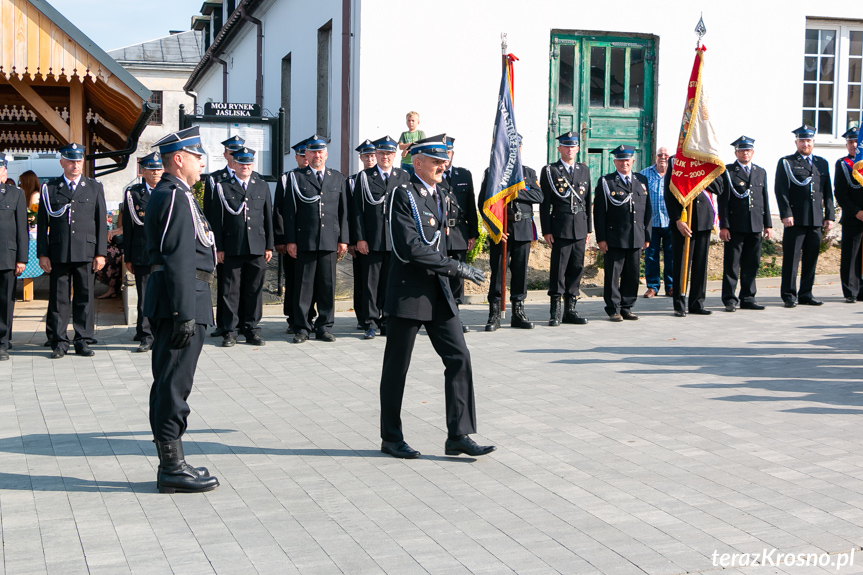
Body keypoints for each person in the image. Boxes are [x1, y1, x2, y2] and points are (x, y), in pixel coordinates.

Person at [379, 133, 494, 459]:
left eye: (444, 160)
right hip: (409, 294)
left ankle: (458, 434)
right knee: (397, 368)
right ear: (418, 163)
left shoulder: (441, 194)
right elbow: (410, 248)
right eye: (435, 160)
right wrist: (456, 268)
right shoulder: (403, 195)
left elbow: (442, 242)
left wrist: (454, 268)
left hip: (439, 293)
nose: (443, 165)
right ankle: (391, 438)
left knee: (459, 357)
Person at [144, 126, 219, 494]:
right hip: (181, 299)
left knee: (173, 382)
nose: (201, 161)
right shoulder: (173, 195)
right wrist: (183, 312)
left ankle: (174, 462)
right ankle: (172, 467)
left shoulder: (180, 194)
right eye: (196, 155)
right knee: (174, 384)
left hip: (188, 296)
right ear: (179, 159)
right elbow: (177, 257)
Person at [37, 143, 107, 358]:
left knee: (84, 297)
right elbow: (42, 224)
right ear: (62, 163)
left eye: (78, 161)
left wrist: (100, 253)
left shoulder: (94, 187)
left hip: (86, 251)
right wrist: (43, 253)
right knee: (59, 299)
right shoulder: (50, 188)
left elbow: (101, 223)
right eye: (70, 161)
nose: (75, 165)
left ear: (83, 163)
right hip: (58, 252)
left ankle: (83, 340)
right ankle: (59, 341)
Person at [281, 135, 348, 343]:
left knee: (327, 286)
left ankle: (325, 326)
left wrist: (343, 239)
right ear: (306, 155)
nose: (317, 155)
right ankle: (302, 327)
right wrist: (290, 240)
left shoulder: (337, 178)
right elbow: (289, 212)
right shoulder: (296, 178)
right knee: (304, 286)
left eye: (321, 152)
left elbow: (343, 211)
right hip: (305, 240)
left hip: (329, 239)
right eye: (313, 152)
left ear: (326, 155)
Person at [211, 147, 273, 347]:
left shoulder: (261, 185)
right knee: (230, 290)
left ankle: (252, 329)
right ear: (234, 165)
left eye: (248, 164)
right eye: (241, 163)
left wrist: (269, 245)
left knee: (254, 290)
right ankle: (230, 331)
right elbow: (216, 220)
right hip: (232, 246)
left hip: (257, 245)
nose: (245, 167)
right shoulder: (222, 187)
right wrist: (218, 248)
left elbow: (268, 218)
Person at [481, 133, 543, 331]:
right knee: (498, 272)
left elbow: (539, 196)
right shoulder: (493, 171)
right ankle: (494, 314)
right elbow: (484, 203)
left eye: (516, 147)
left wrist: (514, 189)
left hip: (523, 229)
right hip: (502, 231)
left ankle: (518, 312)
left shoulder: (529, 172)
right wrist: (494, 227)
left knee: (520, 273)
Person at [352, 136, 408, 340]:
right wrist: (360, 238)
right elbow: (357, 210)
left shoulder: (403, 176)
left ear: (394, 155)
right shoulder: (364, 177)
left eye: (389, 153)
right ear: (376, 155)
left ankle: (387, 320)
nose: (385, 157)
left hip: (395, 240)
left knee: (390, 282)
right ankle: (370, 322)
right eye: (382, 153)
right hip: (372, 240)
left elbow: (408, 211)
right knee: (370, 284)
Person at [774, 125, 834, 307]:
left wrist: (829, 216)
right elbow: (781, 190)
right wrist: (786, 214)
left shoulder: (821, 163)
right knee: (792, 258)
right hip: (795, 219)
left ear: (813, 142)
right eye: (802, 140)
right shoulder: (787, 162)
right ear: (796, 142)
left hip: (816, 219)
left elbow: (827, 191)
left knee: (811, 258)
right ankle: (789, 295)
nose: (805, 144)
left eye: (809, 140)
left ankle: (806, 293)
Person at [539, 131, 591, 326]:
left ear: (577, 148)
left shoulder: (584, 170)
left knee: (576, 268)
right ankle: (555, 311)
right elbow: (545, 204)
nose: (570, 149)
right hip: (560, 226)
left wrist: (588, 229)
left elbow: (587, 201)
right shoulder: (550, 170)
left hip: (580, 226)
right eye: (566, 146)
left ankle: (571, 310)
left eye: (573, 146)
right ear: (559, 148)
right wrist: (546, 230)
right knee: (558, 269)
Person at [594, 145, 651, 321]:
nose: (624, 163)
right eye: (620, 160)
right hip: (615, 237)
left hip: (636, 235)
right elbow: (599, 213)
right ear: (614, 162)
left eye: (627, 160)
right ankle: (613, 308)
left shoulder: (641, 181)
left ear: (633, 161)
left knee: (632, 273)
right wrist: (601, 238)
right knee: (613, 275)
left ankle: (627, 306)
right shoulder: (607, 182)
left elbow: (647, 210)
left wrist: (646, 235)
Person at [718, 136, 772, 312]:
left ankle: (748, 297)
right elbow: (723, 201)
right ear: (736, 153)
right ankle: (730, 299)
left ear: (753, 152)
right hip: (735, 225)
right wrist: (724, 226)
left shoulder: (760, 171)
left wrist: (768, 224)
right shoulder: (728, 171)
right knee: (732, 264)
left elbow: (765, 200)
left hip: (755, 224)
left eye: (748, 150)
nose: (745, 153)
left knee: (752, 263)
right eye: (741, 150)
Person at [121, 152, 163, 352]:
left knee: (164, 294)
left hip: (164, 253)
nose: (156, 172)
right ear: (143, 171)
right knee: (145, 296)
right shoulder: (134, 194)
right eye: (152, 169)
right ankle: (146, 335)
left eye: (159, 168)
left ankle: (159, 332)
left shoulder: (168, 190)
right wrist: (128, 257)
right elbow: (129, 228)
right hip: (142, 253)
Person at [665, 156, 716, 317]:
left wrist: (703, 175)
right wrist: (677, 220)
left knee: (700, 265)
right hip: (684, 221)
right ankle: (679, 304)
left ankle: (697, 303)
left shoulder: (710, 159)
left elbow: (720, 188)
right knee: (681, 264)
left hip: (704, 220)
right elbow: (669, 192)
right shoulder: (676, 161)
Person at [204, 135, 244, 338]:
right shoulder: (215, 179)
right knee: (225, 284)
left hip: (245, 241)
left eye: (239, 152)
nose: (236, 156)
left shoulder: (250, 176)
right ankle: (224, 323)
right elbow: (210, 213)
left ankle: (244, 323)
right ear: (225, 155)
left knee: (245, 284)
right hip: (225, 240)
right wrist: (215, 243)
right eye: (232, 153)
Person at [440, 136, 478, 333]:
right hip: (438, 235)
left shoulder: (464, 174)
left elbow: (470, 205)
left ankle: (454, 317)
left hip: (459, 234)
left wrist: (473, 233)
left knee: (457, 276)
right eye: (442, 153)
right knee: (440, 275)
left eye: (448, 153)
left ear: (452, 154)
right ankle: (440, 317)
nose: (445, 157)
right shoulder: (433, 175)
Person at [274, 137, 311, 333]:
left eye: (309, 155)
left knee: (311, 281)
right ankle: (292, 317)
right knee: (294, 279)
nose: (306, 159)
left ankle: (309, 317)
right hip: (292, 238)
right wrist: (281, 239)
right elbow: (279, 210)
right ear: (296, 157)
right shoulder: (287, 178)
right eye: (302, 155)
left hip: (311, 239)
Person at [0, 154, 28, 361]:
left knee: (5, 301)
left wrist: (22, 258)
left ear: (4, 172)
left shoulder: (15, 194)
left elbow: (22, 229)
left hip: (6, 256)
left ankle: (2, 342)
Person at [348, 139, 377, 331]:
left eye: (372, 155)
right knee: (361, 280)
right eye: (366, 156)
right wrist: (351, 241)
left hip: (378, 240)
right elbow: (350, 213)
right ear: (361, 158)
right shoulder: (353, 180)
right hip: (359, 239)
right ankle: (362, 316)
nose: (370, 159)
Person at [833, 127, 863, 303]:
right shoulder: (843, 164)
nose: (854, 145)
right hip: (853, 217)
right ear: (846, 144)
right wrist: (856, 211)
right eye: (851, 142)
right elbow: (841, 193)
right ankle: (851, 291)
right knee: (851, 256)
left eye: (857, 141)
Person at [640, 148, 673, 298]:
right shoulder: (644, 174)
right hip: (651, 222)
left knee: (671, 256)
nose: (663, 157)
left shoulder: (675, 173)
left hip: (671, 221)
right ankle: (652, 286)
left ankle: (671, 286)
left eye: (666, 155)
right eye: (660, 155)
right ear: (655, 157)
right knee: (651, 256)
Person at [397, 111, 425, 175]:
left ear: (418, 122)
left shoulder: (420, 133)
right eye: (408, 120)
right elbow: (400, 146)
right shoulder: (404, 134)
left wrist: (407, 149)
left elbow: (421, 146)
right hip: (405, 162)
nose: (410, 122)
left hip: (417, 162)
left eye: (413, 120)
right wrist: (413, 144)